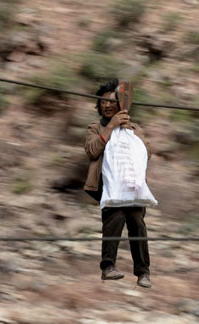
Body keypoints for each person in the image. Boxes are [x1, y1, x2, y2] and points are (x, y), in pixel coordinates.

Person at [83, 79, 153, 288]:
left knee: (137, 223)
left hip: (131, 184)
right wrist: (112, 126)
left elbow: (147, 153)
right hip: (108, 184)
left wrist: (128, 130)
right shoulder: (95, 127)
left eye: (111, 102)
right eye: (102, 102)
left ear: (121, 103)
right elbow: (92, 150)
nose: (106, 105)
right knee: (115, 217)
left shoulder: (134, 128)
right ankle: (108, 267)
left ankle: (143, 272)